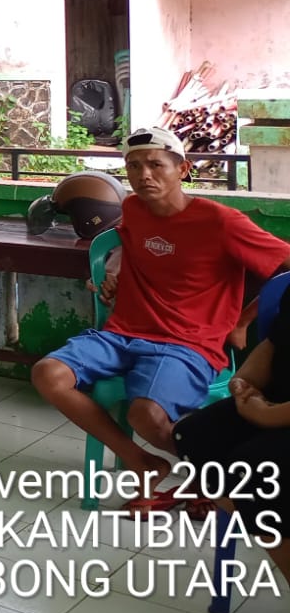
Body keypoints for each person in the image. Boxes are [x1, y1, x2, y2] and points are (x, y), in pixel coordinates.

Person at [32, 126, 290, 503]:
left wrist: (244, 321)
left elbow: (286, 266)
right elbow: (128, 242)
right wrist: (113, 271)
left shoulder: (222, 222)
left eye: (155, 165)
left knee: (145, 416)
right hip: (122, 333)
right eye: (134, 166)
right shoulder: (133, 209)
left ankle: (215, 477)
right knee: (48, 374)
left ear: (182, 169)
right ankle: (141, 461)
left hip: (186, 343)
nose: (144, 175)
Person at [172, 289, 290, 586]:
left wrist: (267, 415)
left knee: (257, 470)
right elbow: (275, 341)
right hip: (276, 398)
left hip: (278, 412)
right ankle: (266, 522)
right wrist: (245, 382)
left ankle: (266, 515)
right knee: (196, 436)